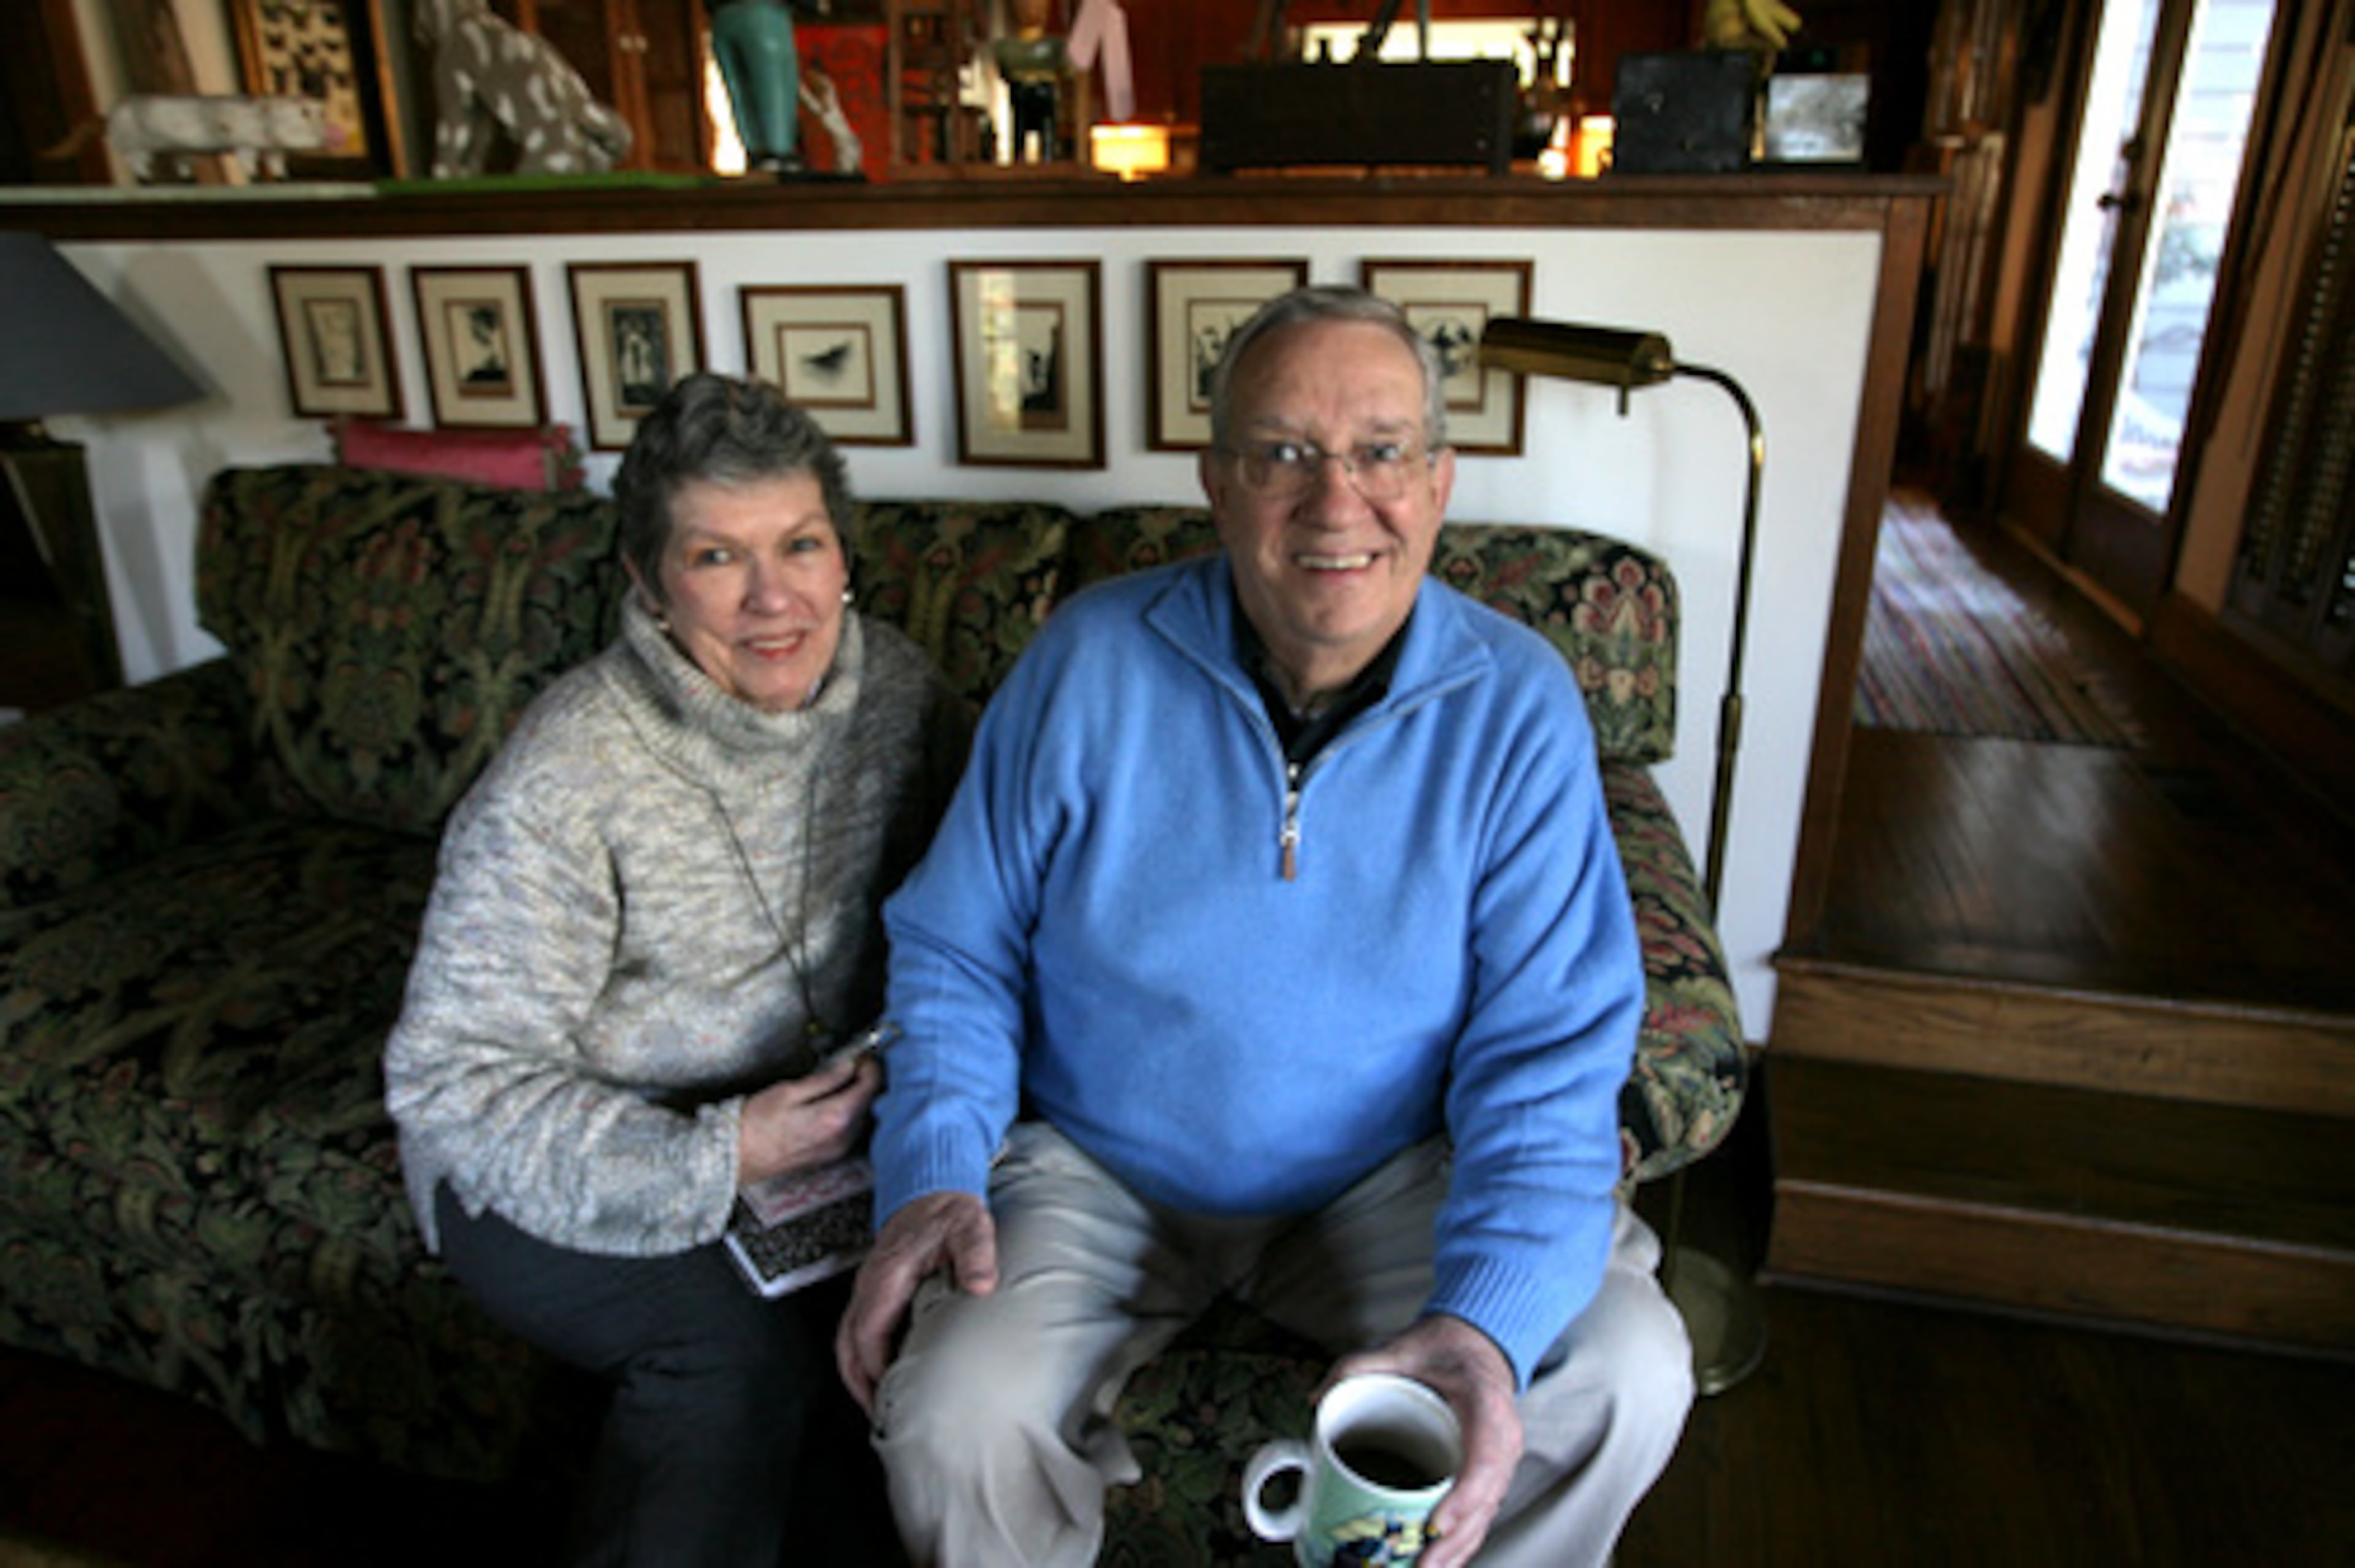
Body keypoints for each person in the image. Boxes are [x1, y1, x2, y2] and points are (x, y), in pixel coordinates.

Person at [836, 286, 1693, 1568]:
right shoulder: (1085, 662)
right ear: (1219, 483)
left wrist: (1489, 1324)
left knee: (1628, 1370)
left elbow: (1554, 1055)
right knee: (958, 1411)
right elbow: (958, 946)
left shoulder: (1520, 708)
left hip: (1387, 1173)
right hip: (1099, 1172)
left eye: (1381, 451)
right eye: (1285, 452)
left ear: (1442, 481)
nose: (1336, 501)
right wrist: (936, 1174)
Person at [386, 372, 966, 1567]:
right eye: (716, 556)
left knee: (904, 1340)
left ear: (843, 552)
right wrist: (721, 1153)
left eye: (801, 544)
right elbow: (453, 1082)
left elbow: (982, 913)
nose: (774, 598)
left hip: (810, 1140)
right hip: (552, 1154)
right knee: (734, 1363)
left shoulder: (901, 695)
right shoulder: (569, 771)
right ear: (648, 581)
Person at [712, 0, 802, 171]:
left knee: (741, 97)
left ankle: (761, 158)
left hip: (722, 14)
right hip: (764, 11)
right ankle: (776, 160)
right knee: (774, 96)